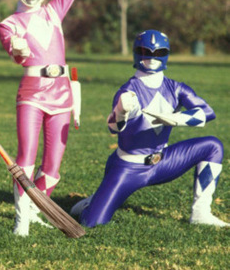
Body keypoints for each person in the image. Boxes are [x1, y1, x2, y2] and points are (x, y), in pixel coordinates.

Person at [70, 30, 228, 228]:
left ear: (166, 54)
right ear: (137, 53)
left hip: (163, 162)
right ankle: (92, 202)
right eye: (146, 51)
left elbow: (208, 112)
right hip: (128, 167)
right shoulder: (128, 90)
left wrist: (176, 119)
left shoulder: (175, 87)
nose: (152, 58)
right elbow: (113, 128)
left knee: (213, 146)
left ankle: (201, 212)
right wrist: (122, 111)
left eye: (158, 52)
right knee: (92, 222)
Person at [0, 0, 88, 236]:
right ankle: (22, 220)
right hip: (32, 94)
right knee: (26, 158)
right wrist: (17, 47)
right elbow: (16, 54)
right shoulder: (8, 23)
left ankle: (37, 207)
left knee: (52, 166)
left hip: (61, 92)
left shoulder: (53, 12)